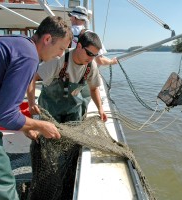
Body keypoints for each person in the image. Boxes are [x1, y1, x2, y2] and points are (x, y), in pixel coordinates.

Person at [27, 31, 107, 200]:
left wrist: (100, 109)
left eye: (95, 55)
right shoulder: (58, 61)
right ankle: (48, 179)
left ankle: (68, 180)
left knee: (71, 148)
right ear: (79, 46)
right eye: (89, 53)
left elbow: (93, 89)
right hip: (51, 111)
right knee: (47, 150)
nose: (91, 58)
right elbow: (32, 77)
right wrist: (31, 102)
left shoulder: (90, 66)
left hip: (73, 112)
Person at [0, 16, 72, 200]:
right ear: (47, 39)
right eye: (61, 48)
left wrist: (26, 127)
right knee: (5, 187)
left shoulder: (17, 43)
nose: (59, 55)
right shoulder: (29, 56)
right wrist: (40, 126)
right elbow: (6, 116)